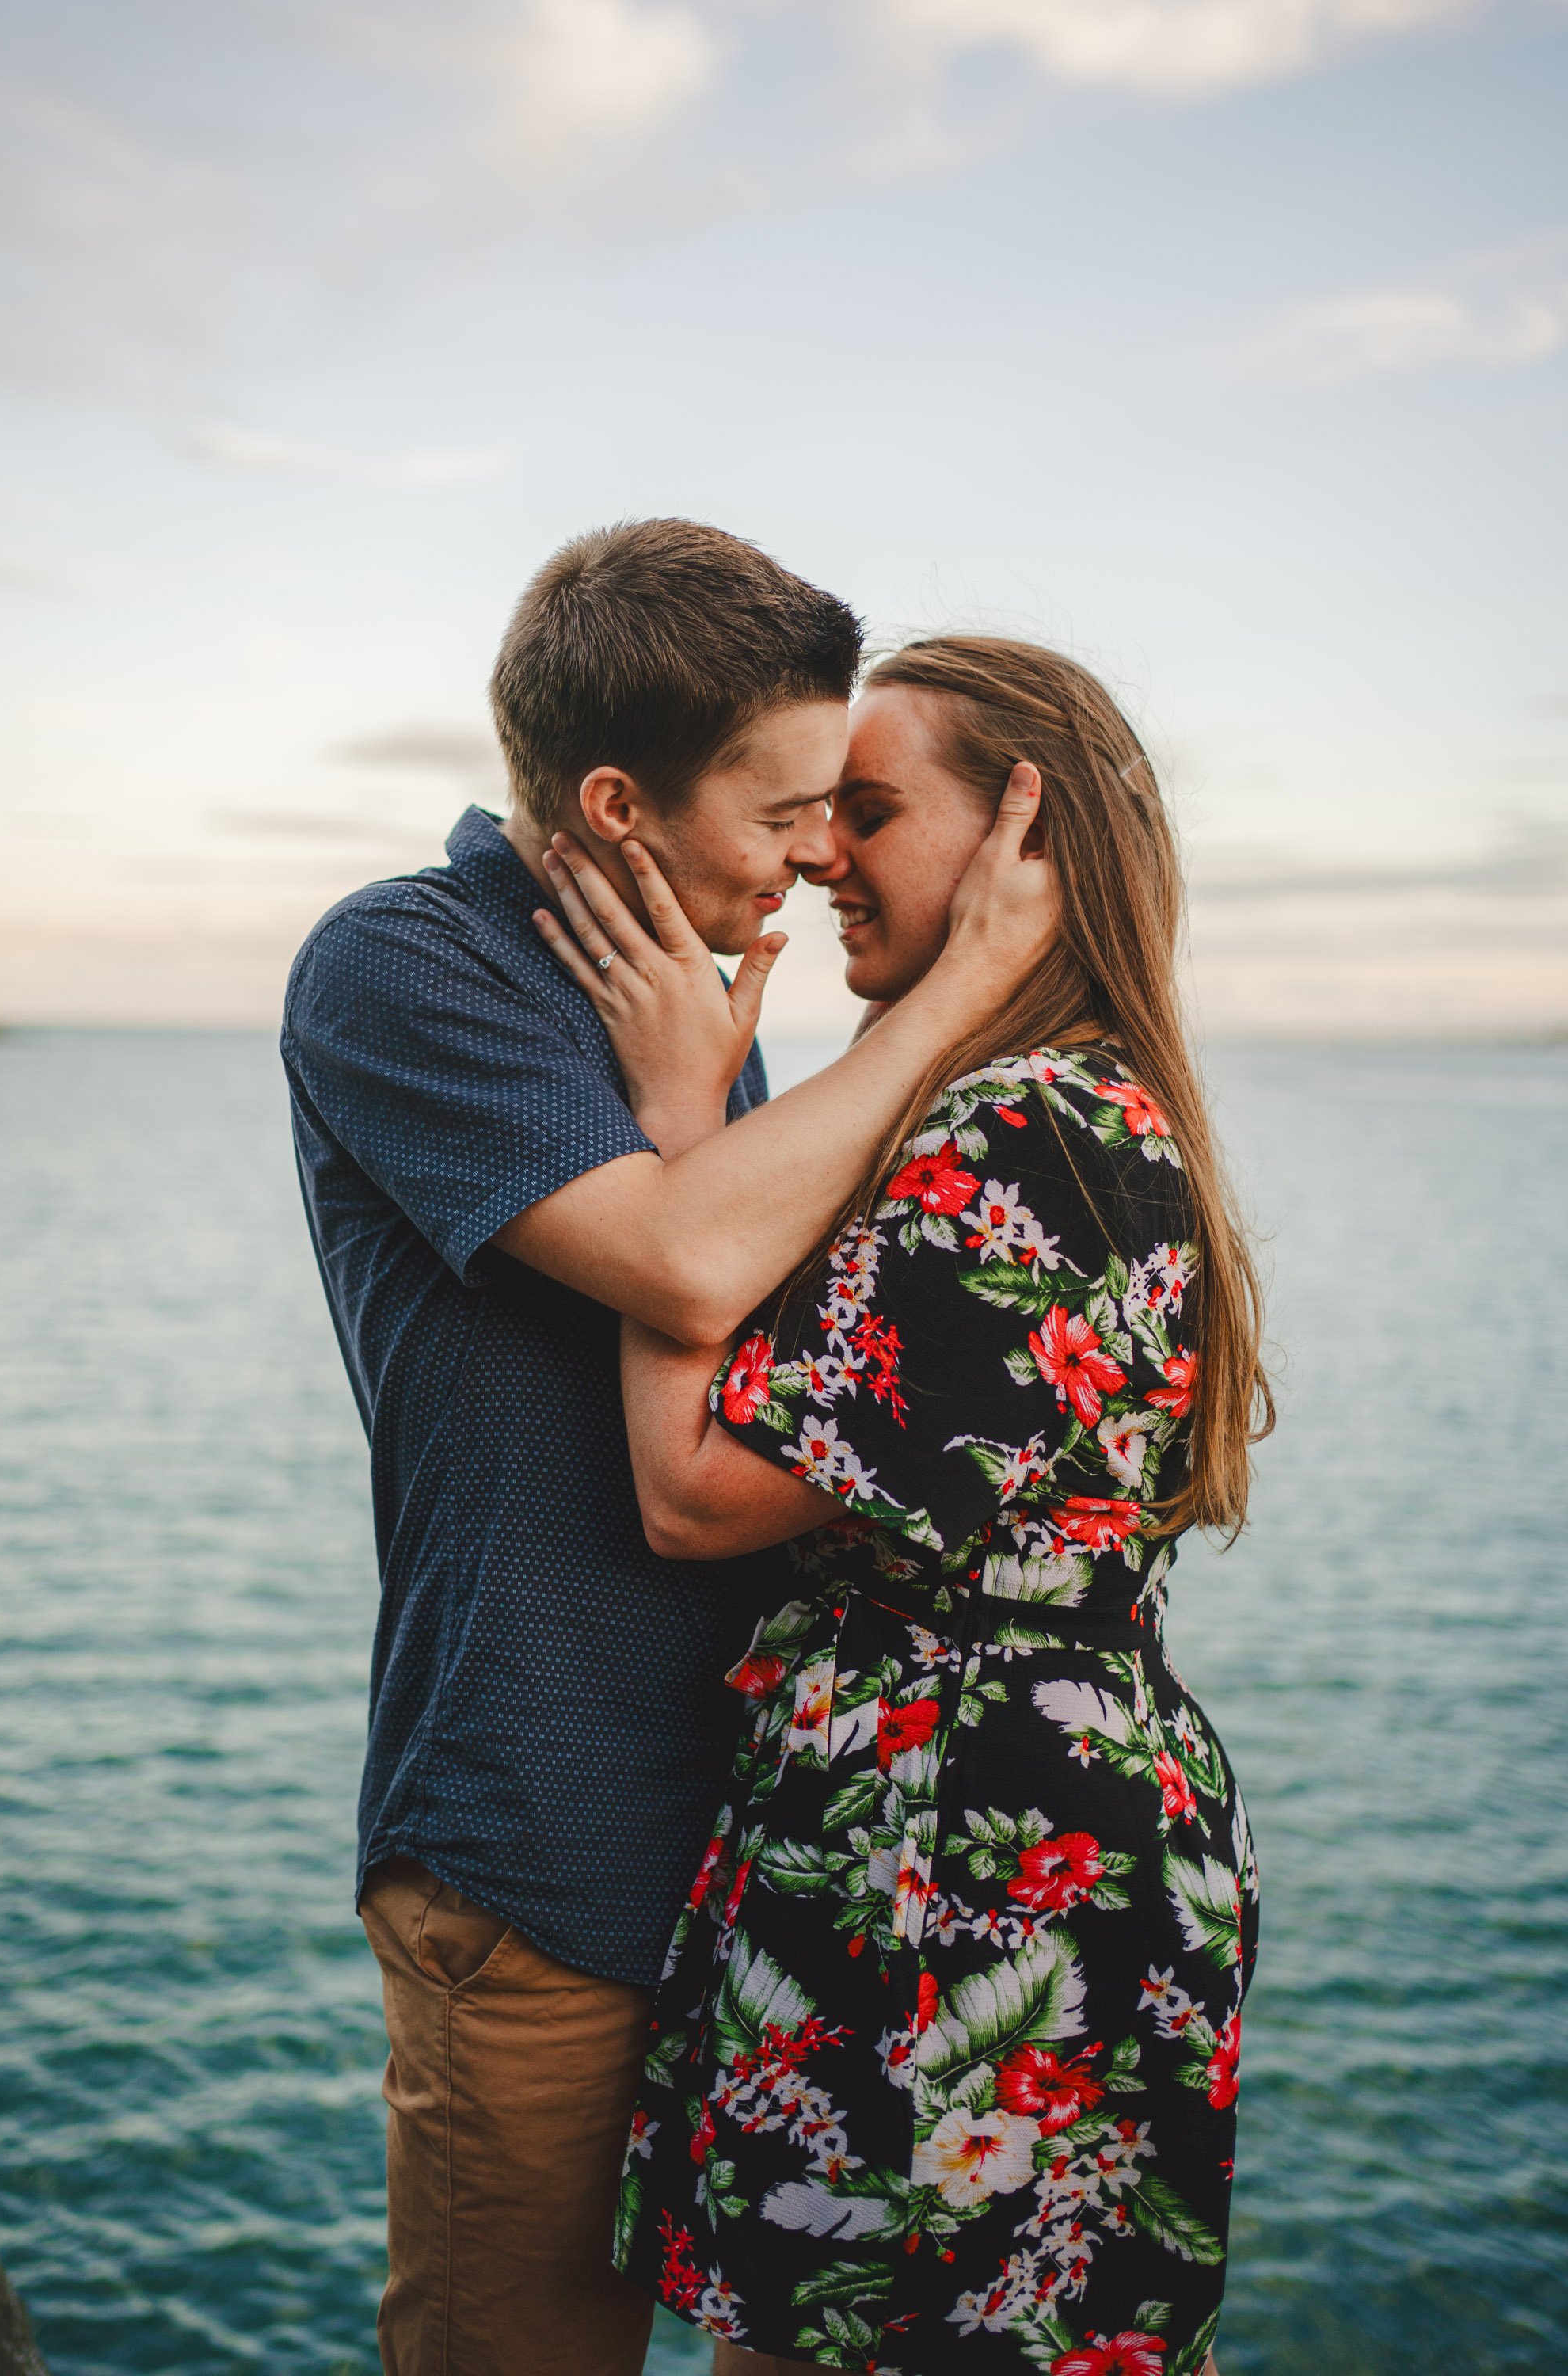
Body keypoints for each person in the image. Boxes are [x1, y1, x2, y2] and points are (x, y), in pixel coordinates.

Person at [280, 524, 1056, 2376]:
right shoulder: (403, 963)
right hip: (538, 1860)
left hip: (777, 1867)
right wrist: (943, 1002)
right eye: (782, 807)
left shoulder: (702, 1033)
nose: (814, 853)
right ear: (616, 805)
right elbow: (688, 1263)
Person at [539, 634, 1273, 2376]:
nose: (817, 853)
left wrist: (669, 1131)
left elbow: (696, 1494)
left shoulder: (1022, 1131)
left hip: (954, 1846)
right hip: (984, 1814)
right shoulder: (1055, 1101)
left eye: (867, 811)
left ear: (1031, 838)